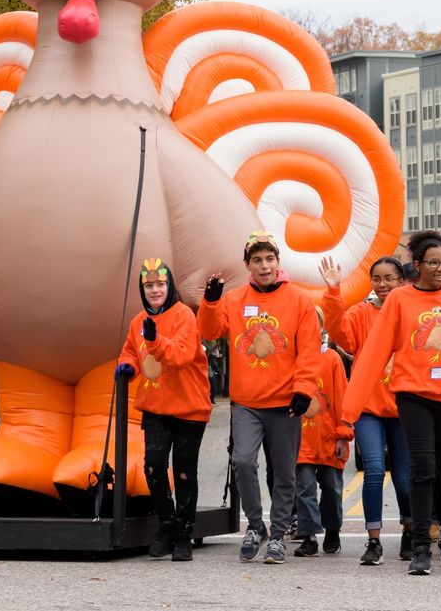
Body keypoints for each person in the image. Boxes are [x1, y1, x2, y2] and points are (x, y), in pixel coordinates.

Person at [338, 230, 441, 576]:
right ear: (417, 265)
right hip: (413, 396)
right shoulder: (399, 300)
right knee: (422, 468)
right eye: (434, 263)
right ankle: (420, 548)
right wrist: (348, 415)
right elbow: (372, 355)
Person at [199, 230, 322, 566]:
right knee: (242, 461)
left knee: (284, 473)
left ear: (277, 262)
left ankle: (279, 535)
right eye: (257, 260)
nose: (264, 265)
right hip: (247, 402)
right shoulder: (235, 299)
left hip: (285, 403)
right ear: (248, 265)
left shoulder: (298, 301)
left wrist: (304, 390)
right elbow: (210, 332)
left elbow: (310, 351)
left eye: (269, 259)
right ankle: (256, 526)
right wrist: (210, 302)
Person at [116, 258, 212, 562]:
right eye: (149, 285)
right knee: (154, 467)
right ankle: (167, 524)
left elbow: (181, 354)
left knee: (184, 472)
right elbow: (131, 349)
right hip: (156, 407)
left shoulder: (184, 315)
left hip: (188, 408)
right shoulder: (137, 321)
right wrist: (128, 365)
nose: (155, 290)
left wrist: (155, 340)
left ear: (169, 287)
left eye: (160, 284)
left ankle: (184, 535)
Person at [320, 255, 413, 565]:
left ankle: (410, 532)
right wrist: (333, 292)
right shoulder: (361, 313)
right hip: (369, 405)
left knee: (403, 477)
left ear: (402, 280)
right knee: (373, 470)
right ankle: (373, 541)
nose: (382, 284)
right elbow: (339, 333)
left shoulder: (412, 309)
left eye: (389, 278)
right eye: (377, 278)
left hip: (404, 405)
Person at [291, 309, 349, 558]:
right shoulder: (288, 359)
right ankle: (309, 535)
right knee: (303, 488)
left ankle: (332, 528)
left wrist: (342, 432)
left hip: (327, 435)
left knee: (331, 488)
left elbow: (340, 396)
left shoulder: (332, 358)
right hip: (299, 438)